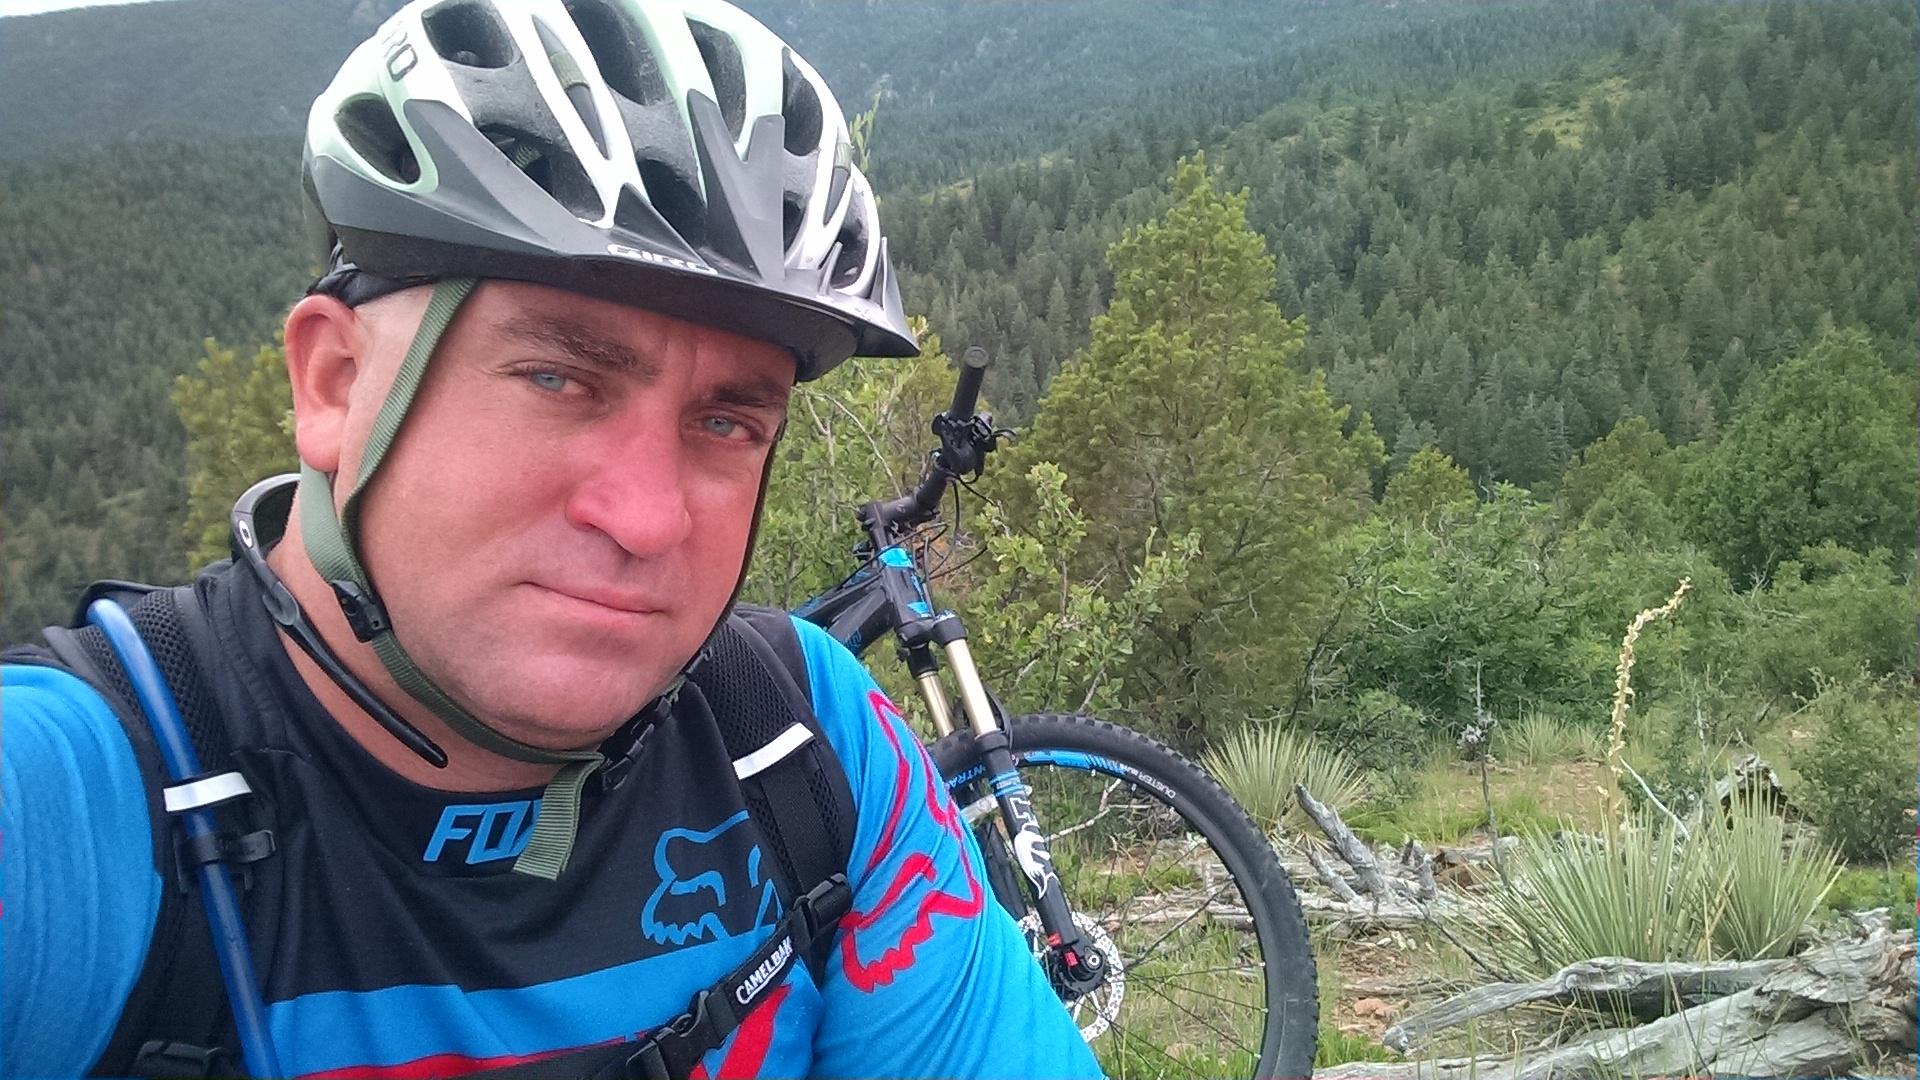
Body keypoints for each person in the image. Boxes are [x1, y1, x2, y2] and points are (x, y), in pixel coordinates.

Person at [0, 1, 1103, 1076]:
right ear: (335, 383)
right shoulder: (66, 809)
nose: (647, 518)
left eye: (727, 422)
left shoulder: (800, 737)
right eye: (556, 378)